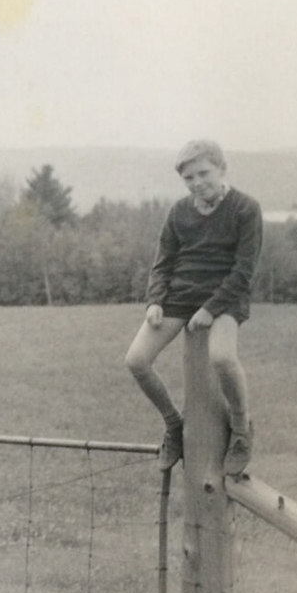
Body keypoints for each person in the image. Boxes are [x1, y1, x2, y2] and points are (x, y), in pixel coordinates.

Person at [124, 139, 262, 475]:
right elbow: (163, 261)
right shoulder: (179, 212)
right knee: (137, 360)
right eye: (189, 178)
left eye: (204, 173)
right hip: (179, 296)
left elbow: (244, 270)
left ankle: (241, 429)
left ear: (221, 169)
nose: (198, 183)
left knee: (222, 357)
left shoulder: (246, 208)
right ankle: (174, 426)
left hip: (225, 298)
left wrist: (211, 309)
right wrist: (155, 301)